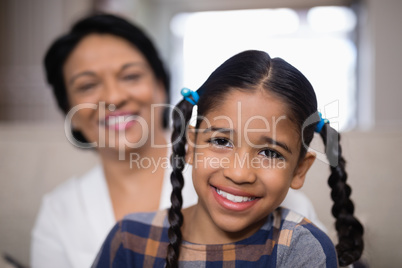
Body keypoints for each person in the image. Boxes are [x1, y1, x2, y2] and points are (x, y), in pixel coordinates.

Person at [31, 13, 324, 268]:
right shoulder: (60, 212)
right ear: (68, 107)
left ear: (161, 85)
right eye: (88, 85)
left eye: (130, 76)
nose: (114, 97)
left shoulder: (258, 198)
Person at [93, 50, 364, 267]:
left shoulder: (301, 250)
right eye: (221, 141)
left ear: (299, 171)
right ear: (190, 145)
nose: (239, 173)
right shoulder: (129, 241)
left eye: (270, 153)